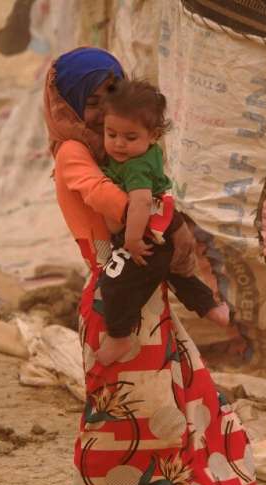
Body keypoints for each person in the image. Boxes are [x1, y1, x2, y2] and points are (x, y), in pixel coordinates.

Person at [43, 47, 255, 485]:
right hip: (113, 292)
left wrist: (163, 210)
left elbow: (152, 202)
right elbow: (115, 207)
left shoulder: (118, 149)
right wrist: (166, 213)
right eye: (91, 102)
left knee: (155, 408)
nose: (99, 113)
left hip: (145, 294)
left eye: (109, 98)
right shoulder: (75, 152)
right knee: (116, 414)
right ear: (70, 102)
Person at [95, 78, 230, 365]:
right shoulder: (147, 153)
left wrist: (131, 240)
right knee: (178, 272)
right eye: (111, 134)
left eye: (130, 138)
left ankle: (119, 337)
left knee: (114, 282)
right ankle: (211, 308)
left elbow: (141, 202)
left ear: (153, 135)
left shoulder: (135, 167)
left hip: (145, 236)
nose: (119, 144)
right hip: (165, 226)